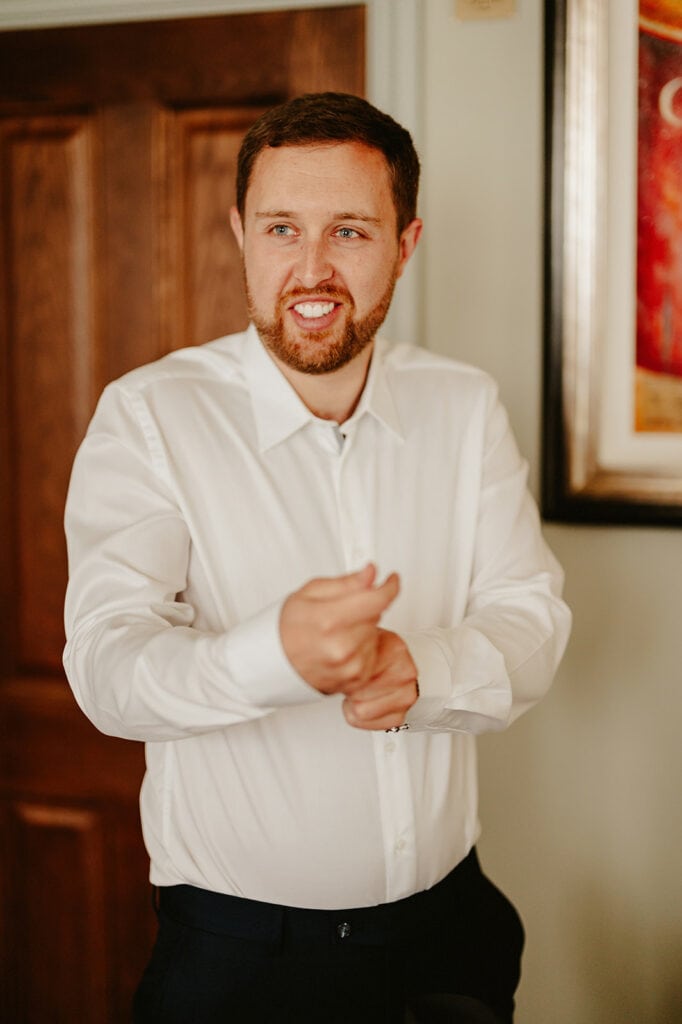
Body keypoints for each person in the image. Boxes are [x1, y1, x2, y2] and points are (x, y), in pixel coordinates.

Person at [63, 92, 571, 1024]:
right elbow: (106, 666)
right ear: (240, 234)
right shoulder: (149, 417)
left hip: (449, 934)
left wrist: (425, 666)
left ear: (406, 243)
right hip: (241, 961)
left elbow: (531, 615)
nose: (311, 267)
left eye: (349, 231)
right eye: (281, 228)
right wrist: (271, 659)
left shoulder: (465, 408)